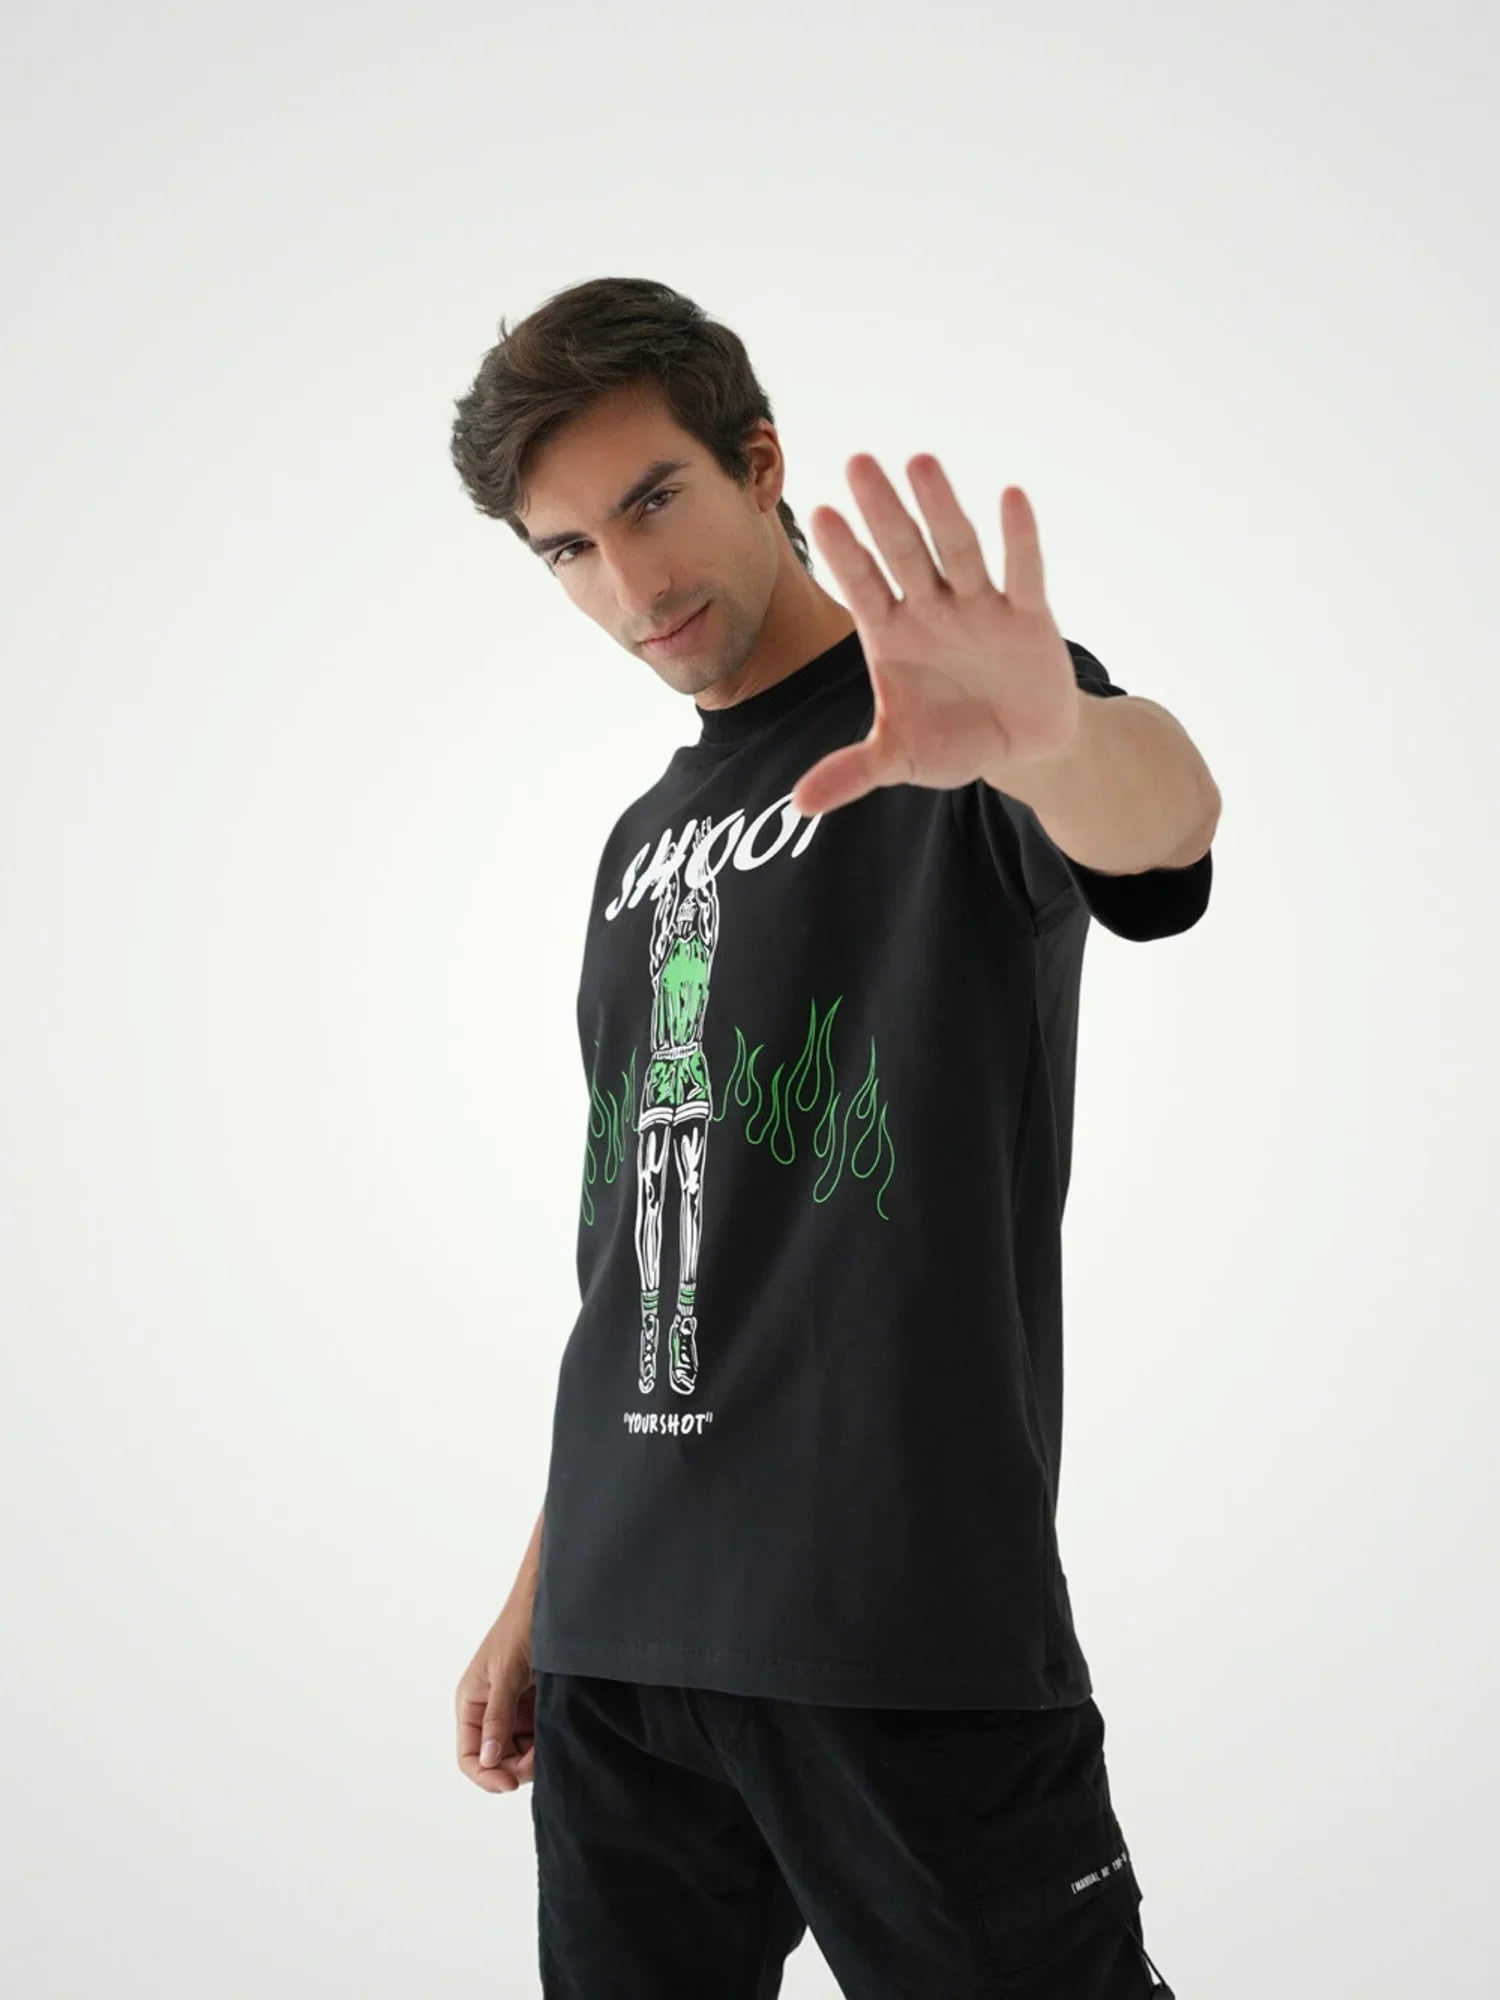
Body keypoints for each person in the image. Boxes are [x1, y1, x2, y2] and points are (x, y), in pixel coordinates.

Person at [450, 276, 1216, 1998]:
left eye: (653, 500)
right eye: (568, 550)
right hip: (623, 1649)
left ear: (757, 463)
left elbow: (1162, 835)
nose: (630, 584)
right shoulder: (639, 844)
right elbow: (641, 1250)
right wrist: (544, 1587)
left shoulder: (951, 726)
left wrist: (1057, 736)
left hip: (894, 1624)